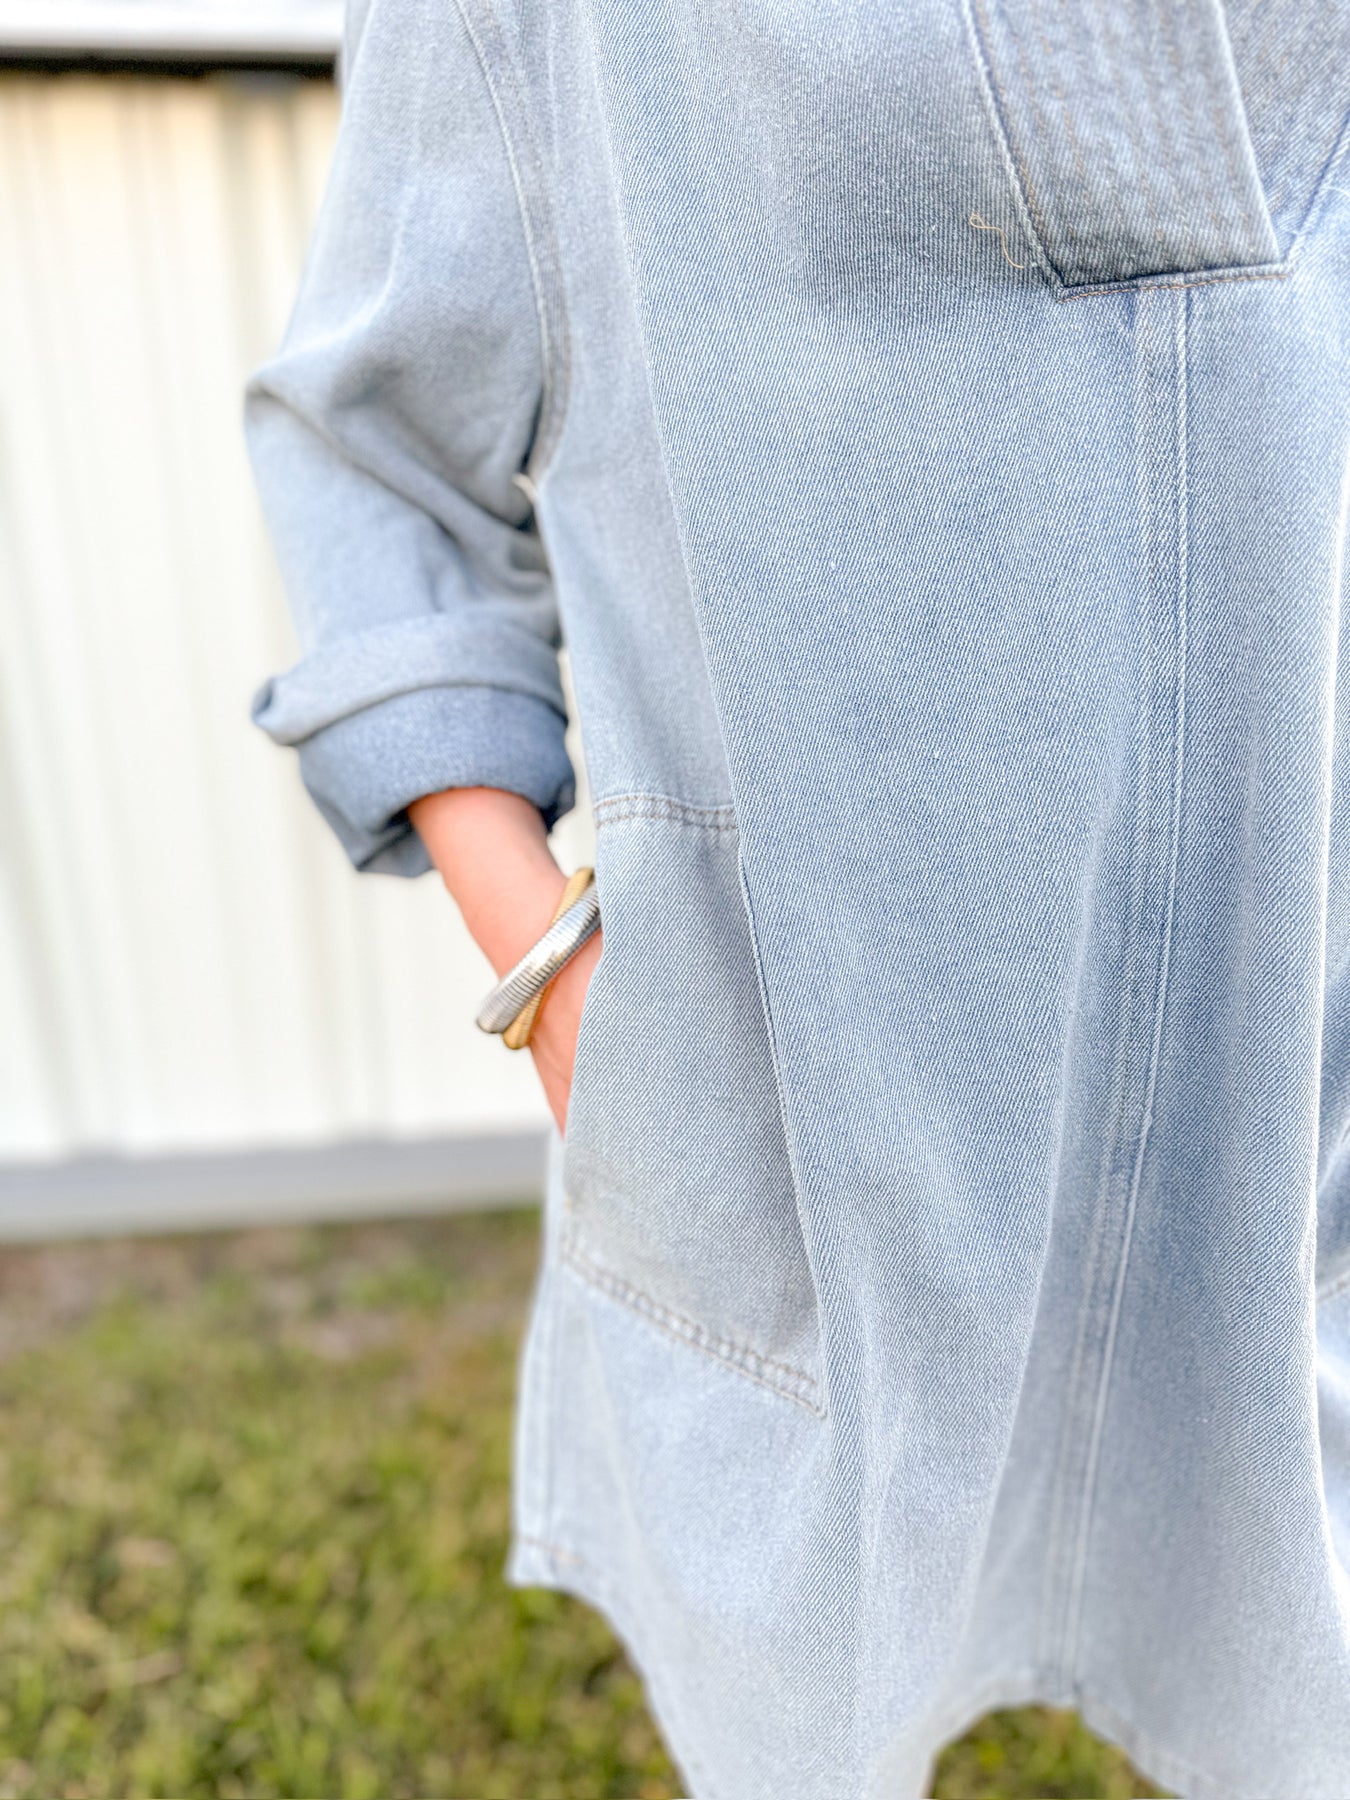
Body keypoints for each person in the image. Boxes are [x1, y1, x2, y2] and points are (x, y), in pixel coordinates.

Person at [242, 0, 1350, 1793]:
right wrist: (549, 972)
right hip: (812, 1106)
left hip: (1291, 1051)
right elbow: (374, 463)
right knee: (809, 1688)